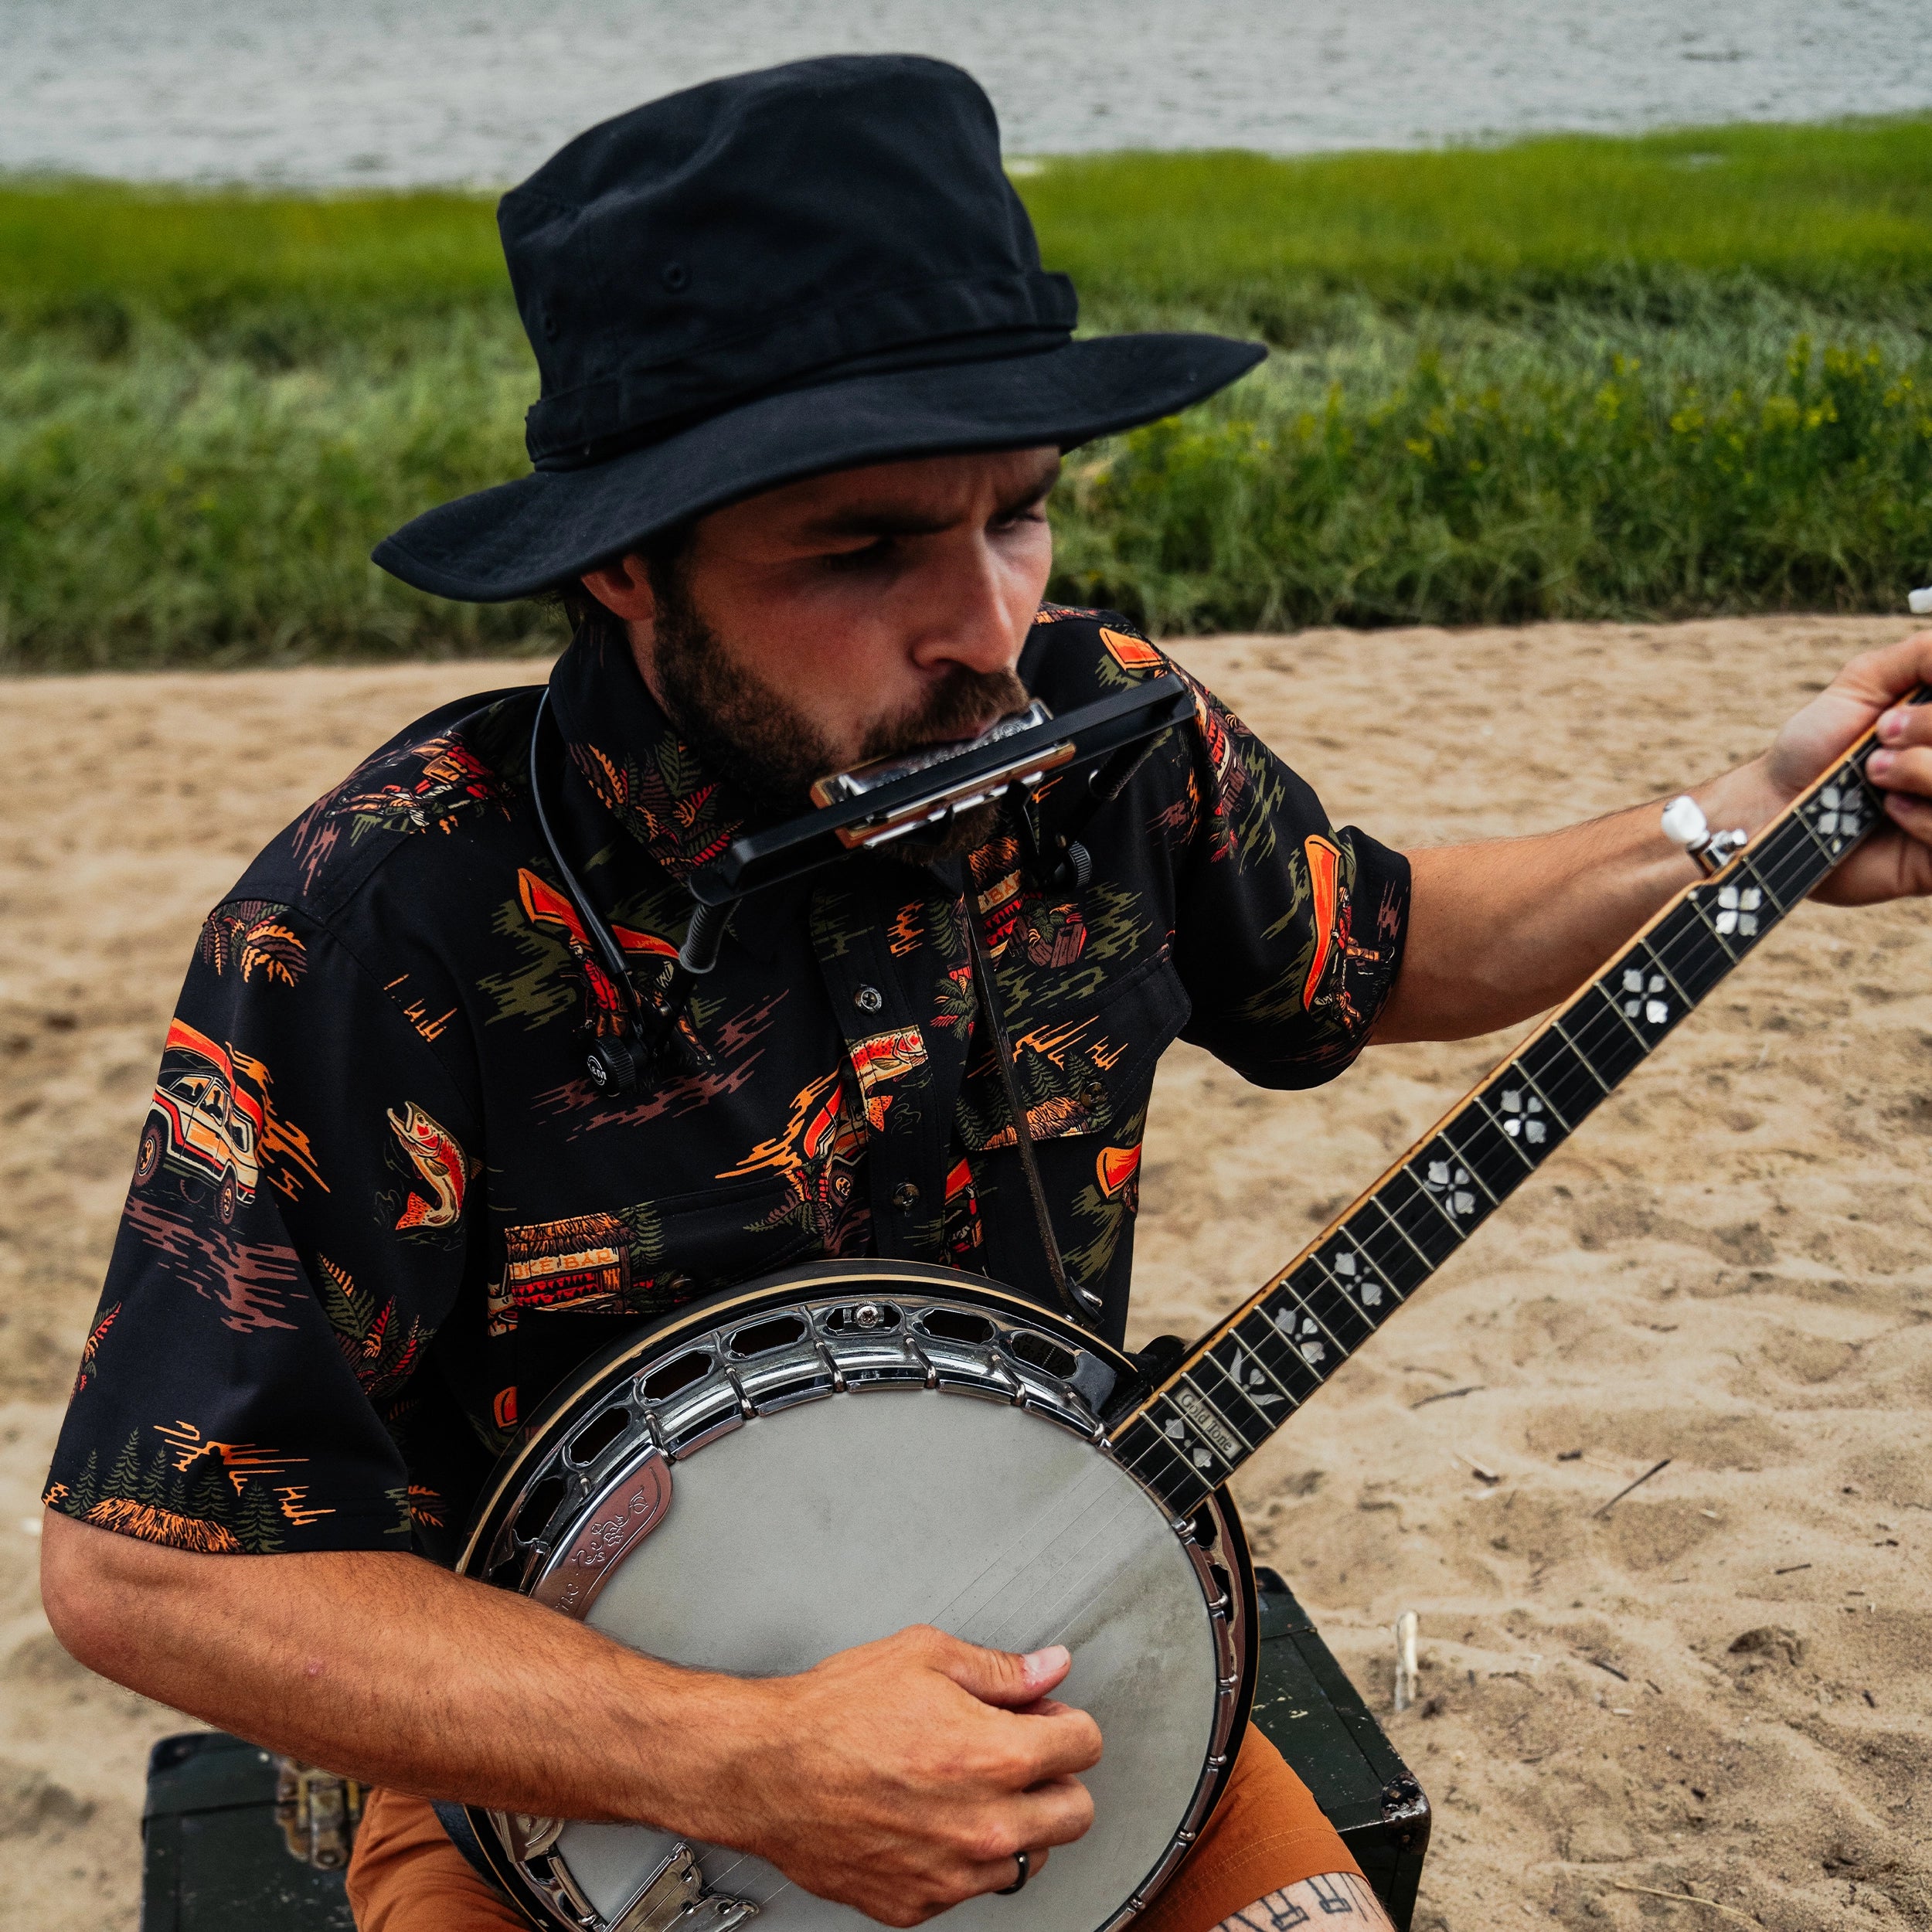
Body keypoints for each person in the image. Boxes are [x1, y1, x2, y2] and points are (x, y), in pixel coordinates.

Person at [37, 53, 1932, 1932]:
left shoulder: (1100, 736)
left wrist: (1730, 822)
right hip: (574, 1806)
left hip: (1073, 1644)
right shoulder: (393, 914)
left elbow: (1374, 939)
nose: (988, 622)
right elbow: (148, 1571)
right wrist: (734, 1755)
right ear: (624, 561)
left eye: (1016, 511)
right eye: (862, 548)